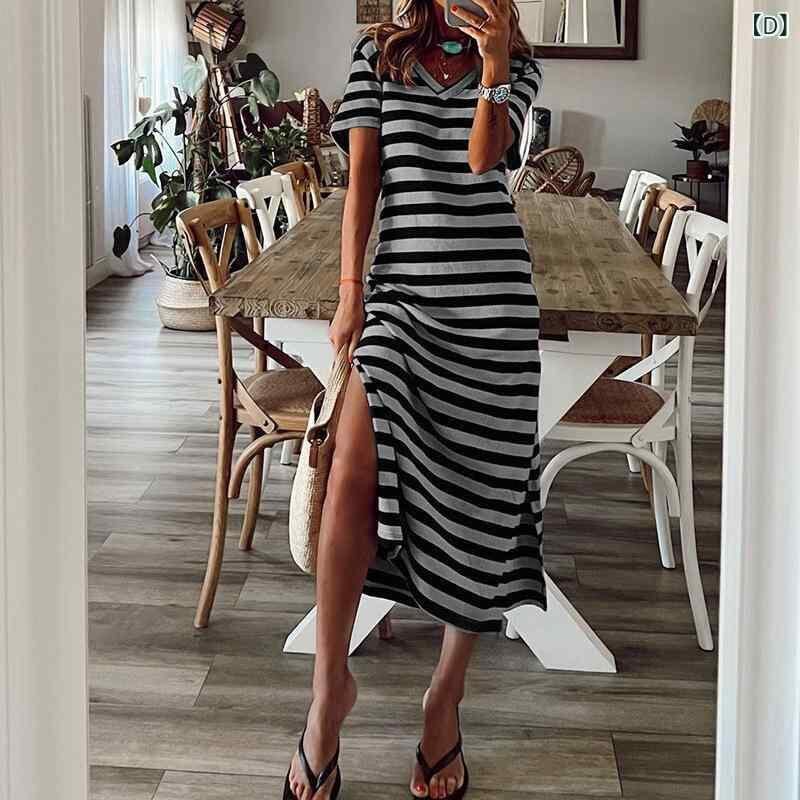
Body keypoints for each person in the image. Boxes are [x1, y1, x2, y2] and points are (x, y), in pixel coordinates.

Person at [284, 1, 542, 798]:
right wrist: (349, 290)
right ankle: (329, 693)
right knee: (350, 473)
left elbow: (482, 160)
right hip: (401, 298)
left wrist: (493, 67)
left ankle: (444, 697)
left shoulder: (518, 61)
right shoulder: (379, 56)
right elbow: (363, 178)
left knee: (484, 496)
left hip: (494, 307)